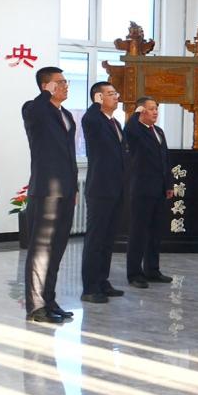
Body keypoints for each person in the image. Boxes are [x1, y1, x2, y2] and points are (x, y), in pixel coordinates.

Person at [21, 66, 78, 323]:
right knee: (40, 251)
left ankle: (49, 300)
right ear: (46, 86)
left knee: (56, 250)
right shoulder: (34, 109)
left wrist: (74, 187)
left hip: (66, 190)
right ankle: (36, 307)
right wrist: (45, 94)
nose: (65, 86)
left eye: (66, 82)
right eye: (60, 82)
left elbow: (69, 155)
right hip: (45, 192)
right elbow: (35, 110)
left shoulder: (66, 114)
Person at [80, 81, 128, 303]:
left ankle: (102, 281)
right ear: (98, 97)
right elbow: (89, 119)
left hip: (116, 188)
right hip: (100, 188)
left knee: (108, 239)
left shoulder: (114, 122)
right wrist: (95, 105)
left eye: (115, 92)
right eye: (110, 93)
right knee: (96, 238)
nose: (116, 96)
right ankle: (90, 287)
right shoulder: (93, 119)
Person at [124, 97, 174, 289]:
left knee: (155, 232)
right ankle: (134, 273)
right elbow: (129, 129)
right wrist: (135, 113)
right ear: (141, 111)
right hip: (142, 189)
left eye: (156, 109)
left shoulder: (158, 131)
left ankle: (152, 270)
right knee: (139, 232)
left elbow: (165, 159)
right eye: (151, 109)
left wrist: (169, 185)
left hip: (159, 189)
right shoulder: (135, 130)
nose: (155, 112)